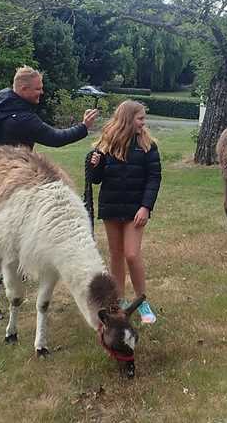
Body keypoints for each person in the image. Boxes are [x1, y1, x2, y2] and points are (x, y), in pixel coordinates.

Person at [88, 100, 162, 323]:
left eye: (143, 119)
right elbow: (96, 179)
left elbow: (154, 177)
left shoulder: (148, 145)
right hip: (111, 206)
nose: (143, 123)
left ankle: (142, 302)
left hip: (135, 209)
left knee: (131, 254)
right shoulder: (106, 143)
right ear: (128, 119)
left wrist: (145, 207)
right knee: (116, 256)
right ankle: (118, 302)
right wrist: (95, 164)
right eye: (140, 118)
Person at [0, 66, 98, 149]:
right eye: (38, 89)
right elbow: (56, 138)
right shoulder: (23, 119)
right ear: (24, 89)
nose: (42, 92)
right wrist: (84, 126)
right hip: (10, 174)